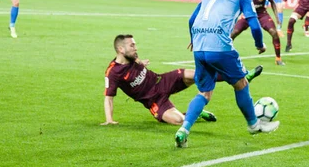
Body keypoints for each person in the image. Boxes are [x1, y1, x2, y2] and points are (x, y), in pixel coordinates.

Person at [175, 0, 280, 148]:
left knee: (204, 93)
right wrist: (260, 44)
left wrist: (194, 40)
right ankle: (254, 125)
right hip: (220, 47)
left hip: (199, 47)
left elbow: (192, 20)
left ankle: (184, 129)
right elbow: (254, 24)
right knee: (241, 84)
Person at [103, 34, 263, 126]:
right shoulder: (113, 72)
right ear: (121, 49)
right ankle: (195, 113)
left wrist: (140, 63)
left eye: (135, 45)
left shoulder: (132, 58)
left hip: (162, 80)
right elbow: (108, 98)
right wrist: (109, 120)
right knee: (177, 120)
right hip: (153, 101)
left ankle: (240, 77)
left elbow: (135, 62)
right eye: (132, 46)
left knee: (198, 74)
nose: (135, 48)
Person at [231, 0, 285, 66]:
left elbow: (272, 2)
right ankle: (227, 57)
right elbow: (236, 2)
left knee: (274, 32)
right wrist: (238, 15)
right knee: (233, 33)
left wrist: (277, 17)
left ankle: (278, 58)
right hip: (247, 15)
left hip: (261, 14)